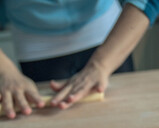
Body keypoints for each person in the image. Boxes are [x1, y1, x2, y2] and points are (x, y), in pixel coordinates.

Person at [0, 0, 158, 119]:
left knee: (121, 115)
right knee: (48, 118)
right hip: (34, 40)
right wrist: (5, 69)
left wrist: (102, 65)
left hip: (110, 32)